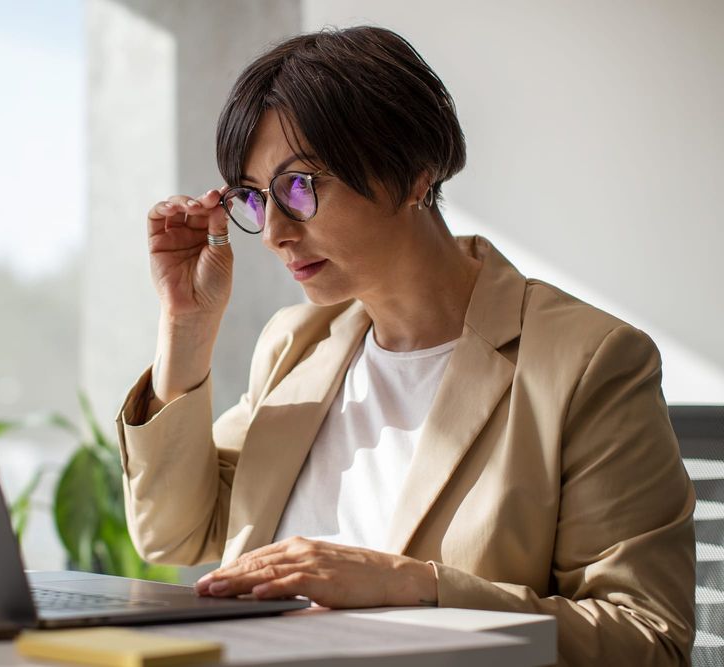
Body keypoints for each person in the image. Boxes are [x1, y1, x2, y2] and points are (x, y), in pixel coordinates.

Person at [114, 25, 695, 665]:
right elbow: (173, 532)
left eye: (300, 186)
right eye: (254, 198)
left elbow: (648, 639)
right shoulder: (296, 345)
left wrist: (413, 586)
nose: (274, 231)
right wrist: (185, 327)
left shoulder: (589, 362)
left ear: (414, 173)